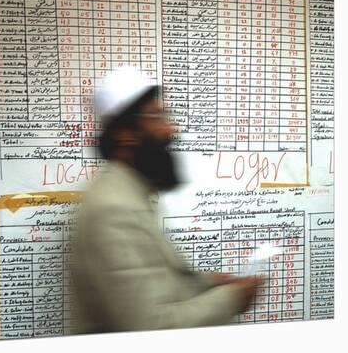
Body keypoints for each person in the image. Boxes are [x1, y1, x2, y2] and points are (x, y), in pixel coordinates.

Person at [69, 67, 262, 334]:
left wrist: (207, 283)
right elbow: (149, 326)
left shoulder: (130, 193)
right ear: (125, 133)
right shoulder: (113, 209)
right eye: (157, 116)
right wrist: (232, 299)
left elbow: (150, 278)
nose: (171, 129)